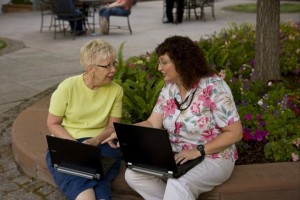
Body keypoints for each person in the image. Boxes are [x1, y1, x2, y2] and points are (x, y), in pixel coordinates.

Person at [103, 35, 243, 199]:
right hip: (176, 156)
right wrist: (124, 133)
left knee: (178, 185)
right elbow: (152, 122)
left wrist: (198, 151)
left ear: (181, 62)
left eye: (164, 62)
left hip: (214, 156)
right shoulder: (169, 88)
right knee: (134, 175)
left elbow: (235, 133)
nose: (159, 68)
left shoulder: (214, 87)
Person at [45, 39, 123, 200]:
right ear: (91, 69)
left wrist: (95, 140)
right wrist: (75, 147)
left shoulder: (116, 90)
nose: (113, 69)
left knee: (95, 177)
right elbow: (53, 123)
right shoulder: (67, 87)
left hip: (101, 144)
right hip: (67, 142)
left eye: (113, 63)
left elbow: (113, 127)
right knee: (88, 189)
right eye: (107, 66)